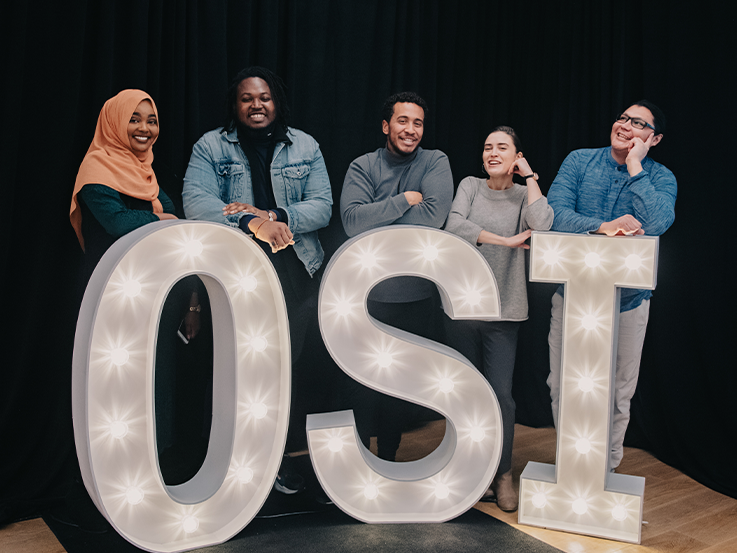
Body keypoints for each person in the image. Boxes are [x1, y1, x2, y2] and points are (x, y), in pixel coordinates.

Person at [182, 66, 333, 494]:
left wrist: (278, 217)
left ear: (276, 101)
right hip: (235, 271)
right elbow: (197, 202)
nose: (256, 105)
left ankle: (275, 460)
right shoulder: (211, 147)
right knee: (235, 366)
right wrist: (252, 222)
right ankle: (225, 462)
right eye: (247, 98)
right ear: (236, 104)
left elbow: (322, 205)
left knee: (283, 369)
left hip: (294, 273)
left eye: (264, 97)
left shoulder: (305, 145)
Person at [69, 89, 207, 477]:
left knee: (157, 379)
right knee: (117, 386)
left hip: (153, 295)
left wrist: (193, 302)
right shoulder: (96, 168)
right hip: (112, 294)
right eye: (134, 118)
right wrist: (162, 222)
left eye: (151, 120)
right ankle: (116, 473)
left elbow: (177, 227)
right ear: (113, 121)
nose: (144, 128)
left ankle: (154, 465)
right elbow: (116, 222)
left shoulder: (145, 173)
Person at [546, 100, 677, 471]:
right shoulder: (579, 160)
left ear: (654, 138)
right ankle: (572, 468)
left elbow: (657, 223)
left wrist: (636, 167)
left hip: (629, 304)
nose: (625, 126)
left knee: (618, 393)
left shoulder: (661, 177)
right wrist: (603, 227)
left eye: (638, 123)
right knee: (562, 385)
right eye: (623, 118)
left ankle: (606, 469)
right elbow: (554, 215)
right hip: (572, 297)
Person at [445, 126, 553, 512]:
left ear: (516, 156)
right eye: (487, 147)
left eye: (502, 148)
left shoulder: (526, 194)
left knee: (501, 397)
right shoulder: (470, 186)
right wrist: (505, 241)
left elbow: (543, 224)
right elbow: (454, 225)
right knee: (464, 393)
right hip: (462, 308)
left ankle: (502, 473)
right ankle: (468, 469)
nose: (492, 153)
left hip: (505, 310)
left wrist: (530, 176)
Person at [340, 91, 453, 461]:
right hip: (367, 295)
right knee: (362, 384)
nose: (411, 130)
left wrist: (378, 215)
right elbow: (353, 222)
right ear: (386, 125)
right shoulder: (363, 166)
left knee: (399, 385)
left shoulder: (436, 161)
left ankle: (387, 457)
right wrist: (405, 200)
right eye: (402, 121)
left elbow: (434, 217)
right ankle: (359, 459)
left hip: (414, 296)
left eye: (418, 122)